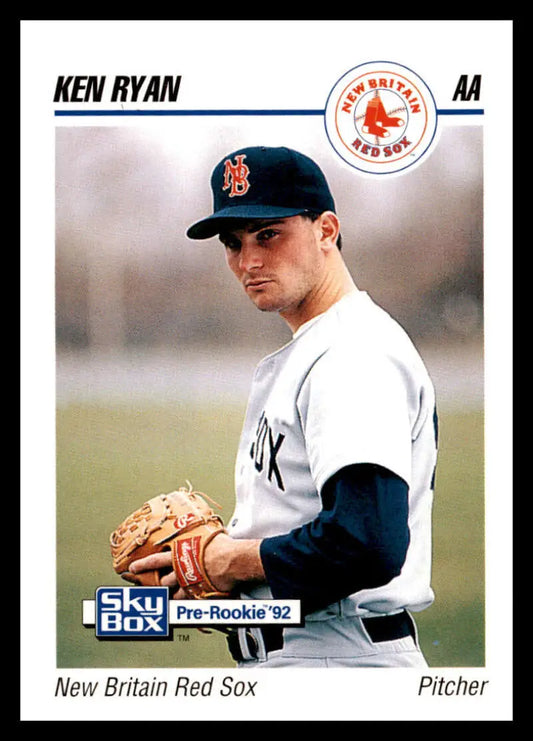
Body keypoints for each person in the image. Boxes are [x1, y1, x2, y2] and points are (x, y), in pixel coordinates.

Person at [130, 145, 438, 668]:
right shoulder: (323, 346)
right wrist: (227, 577)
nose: (248, 261)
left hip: (338, 664)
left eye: (268, 234)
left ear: (325, 230)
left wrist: (230, 561)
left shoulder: (350, 352)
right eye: (233, 243)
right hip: (320, 655)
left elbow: (368, 541)